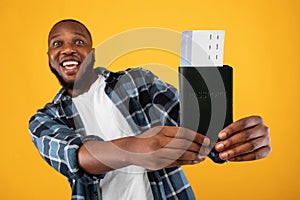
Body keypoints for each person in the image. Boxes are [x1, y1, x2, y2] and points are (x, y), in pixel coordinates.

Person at [29, 19, 271, 200]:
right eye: (57, 43)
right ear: (50, 56)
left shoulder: (137, 81)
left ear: (92, 54)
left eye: (79, 42)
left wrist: (233, 141)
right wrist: (135, 148)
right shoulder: (44, 120)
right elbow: (75, 157)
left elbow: (193, 128)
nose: (68, 48)